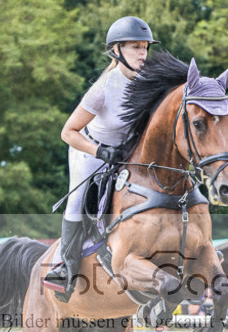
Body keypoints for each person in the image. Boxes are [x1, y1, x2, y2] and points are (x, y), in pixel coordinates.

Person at [44, 16, 159, 301]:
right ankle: (64, 270)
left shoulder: (149, 82)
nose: (143, 54)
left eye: (145, 47)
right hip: (91, 151)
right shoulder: (103, 88)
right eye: (136, 47)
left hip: (129, 155)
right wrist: (100, 152)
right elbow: (67, 132)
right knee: (77, 202)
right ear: (116, 50)